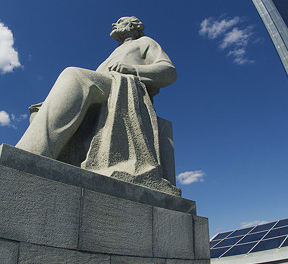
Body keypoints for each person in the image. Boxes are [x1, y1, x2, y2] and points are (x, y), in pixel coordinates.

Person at [15, 16, 178, 191]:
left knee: (74, 76)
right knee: (38, 110)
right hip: (103, 95)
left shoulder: (145, 42)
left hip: (121, 89)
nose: (115, 24)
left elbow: (169, 72)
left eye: (120, 21)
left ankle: (27, 156)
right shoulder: (113, 53)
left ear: (132, 25)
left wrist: (133, 69)